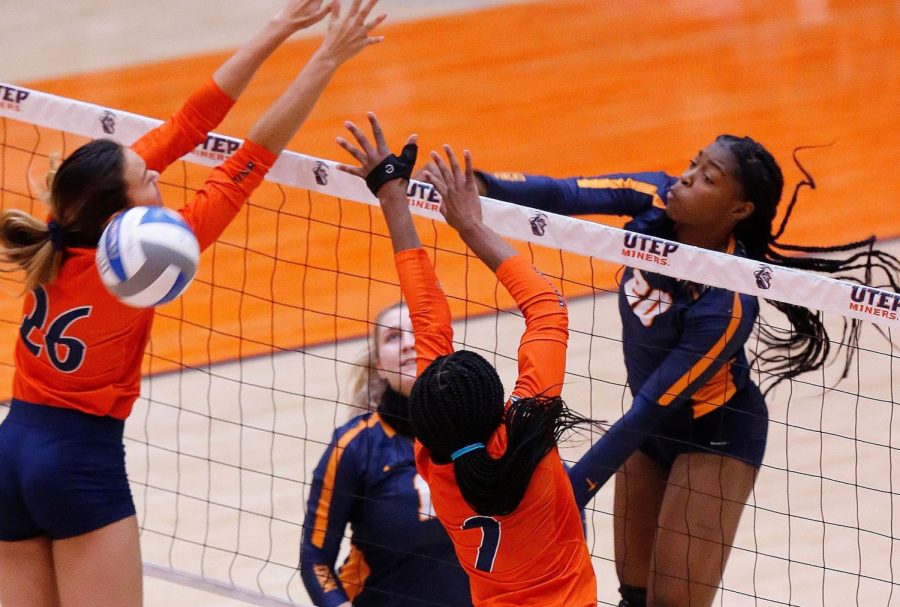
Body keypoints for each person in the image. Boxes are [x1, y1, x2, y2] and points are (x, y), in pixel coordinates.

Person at [0, 1, 384, 605]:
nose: (159, 177)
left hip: (12, 452)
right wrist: (327, 56)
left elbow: (188, 122)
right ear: (124, 209)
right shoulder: (147, 259)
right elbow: (252, 157)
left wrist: (281, 26)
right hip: (77, 463)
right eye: (147, 179)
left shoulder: (65, 221)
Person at [465, 138, 900, 606]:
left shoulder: (726, 303)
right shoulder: (657, 199)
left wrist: (569, 494)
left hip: (714, 438)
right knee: (634, 595)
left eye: (708, 177)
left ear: (738, 209)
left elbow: (650, 407)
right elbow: (564, 194)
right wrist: (480, 184)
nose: (687, 177)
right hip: (648, 431)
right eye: (694, 163)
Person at [335, 113, 597, 607]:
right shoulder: (520, 430)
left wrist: (392, 197)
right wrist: (469, 224)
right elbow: (546, 307)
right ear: (500, 401)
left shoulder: (439, 460)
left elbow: (432, 322)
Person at [300, 302, 475, 607]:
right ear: (379, 365)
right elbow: (315, 558)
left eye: (418, 331)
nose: (408, 343)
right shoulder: (355, 447)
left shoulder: (483, 431)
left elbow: (556, 502)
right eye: (393, 337)